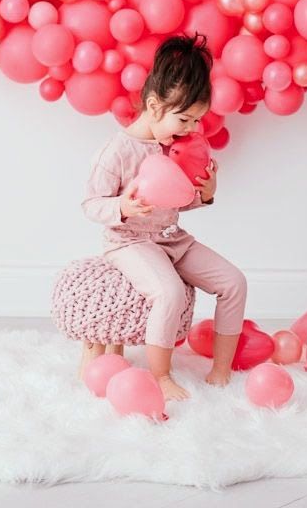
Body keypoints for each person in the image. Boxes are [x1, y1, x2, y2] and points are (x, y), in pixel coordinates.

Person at [80, 33, 248, 401]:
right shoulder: (117, 151)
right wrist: (122, 207)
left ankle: (222, 369)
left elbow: (175, 201)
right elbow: (91, 203)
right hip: (129, 242)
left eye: (197, 121)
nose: (191, 130)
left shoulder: (172, 147)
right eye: (185, 119)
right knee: (168, 291)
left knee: (234, 281)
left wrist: (205, 193)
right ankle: (162, 376)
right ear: (154, 106)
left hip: (171, 238)